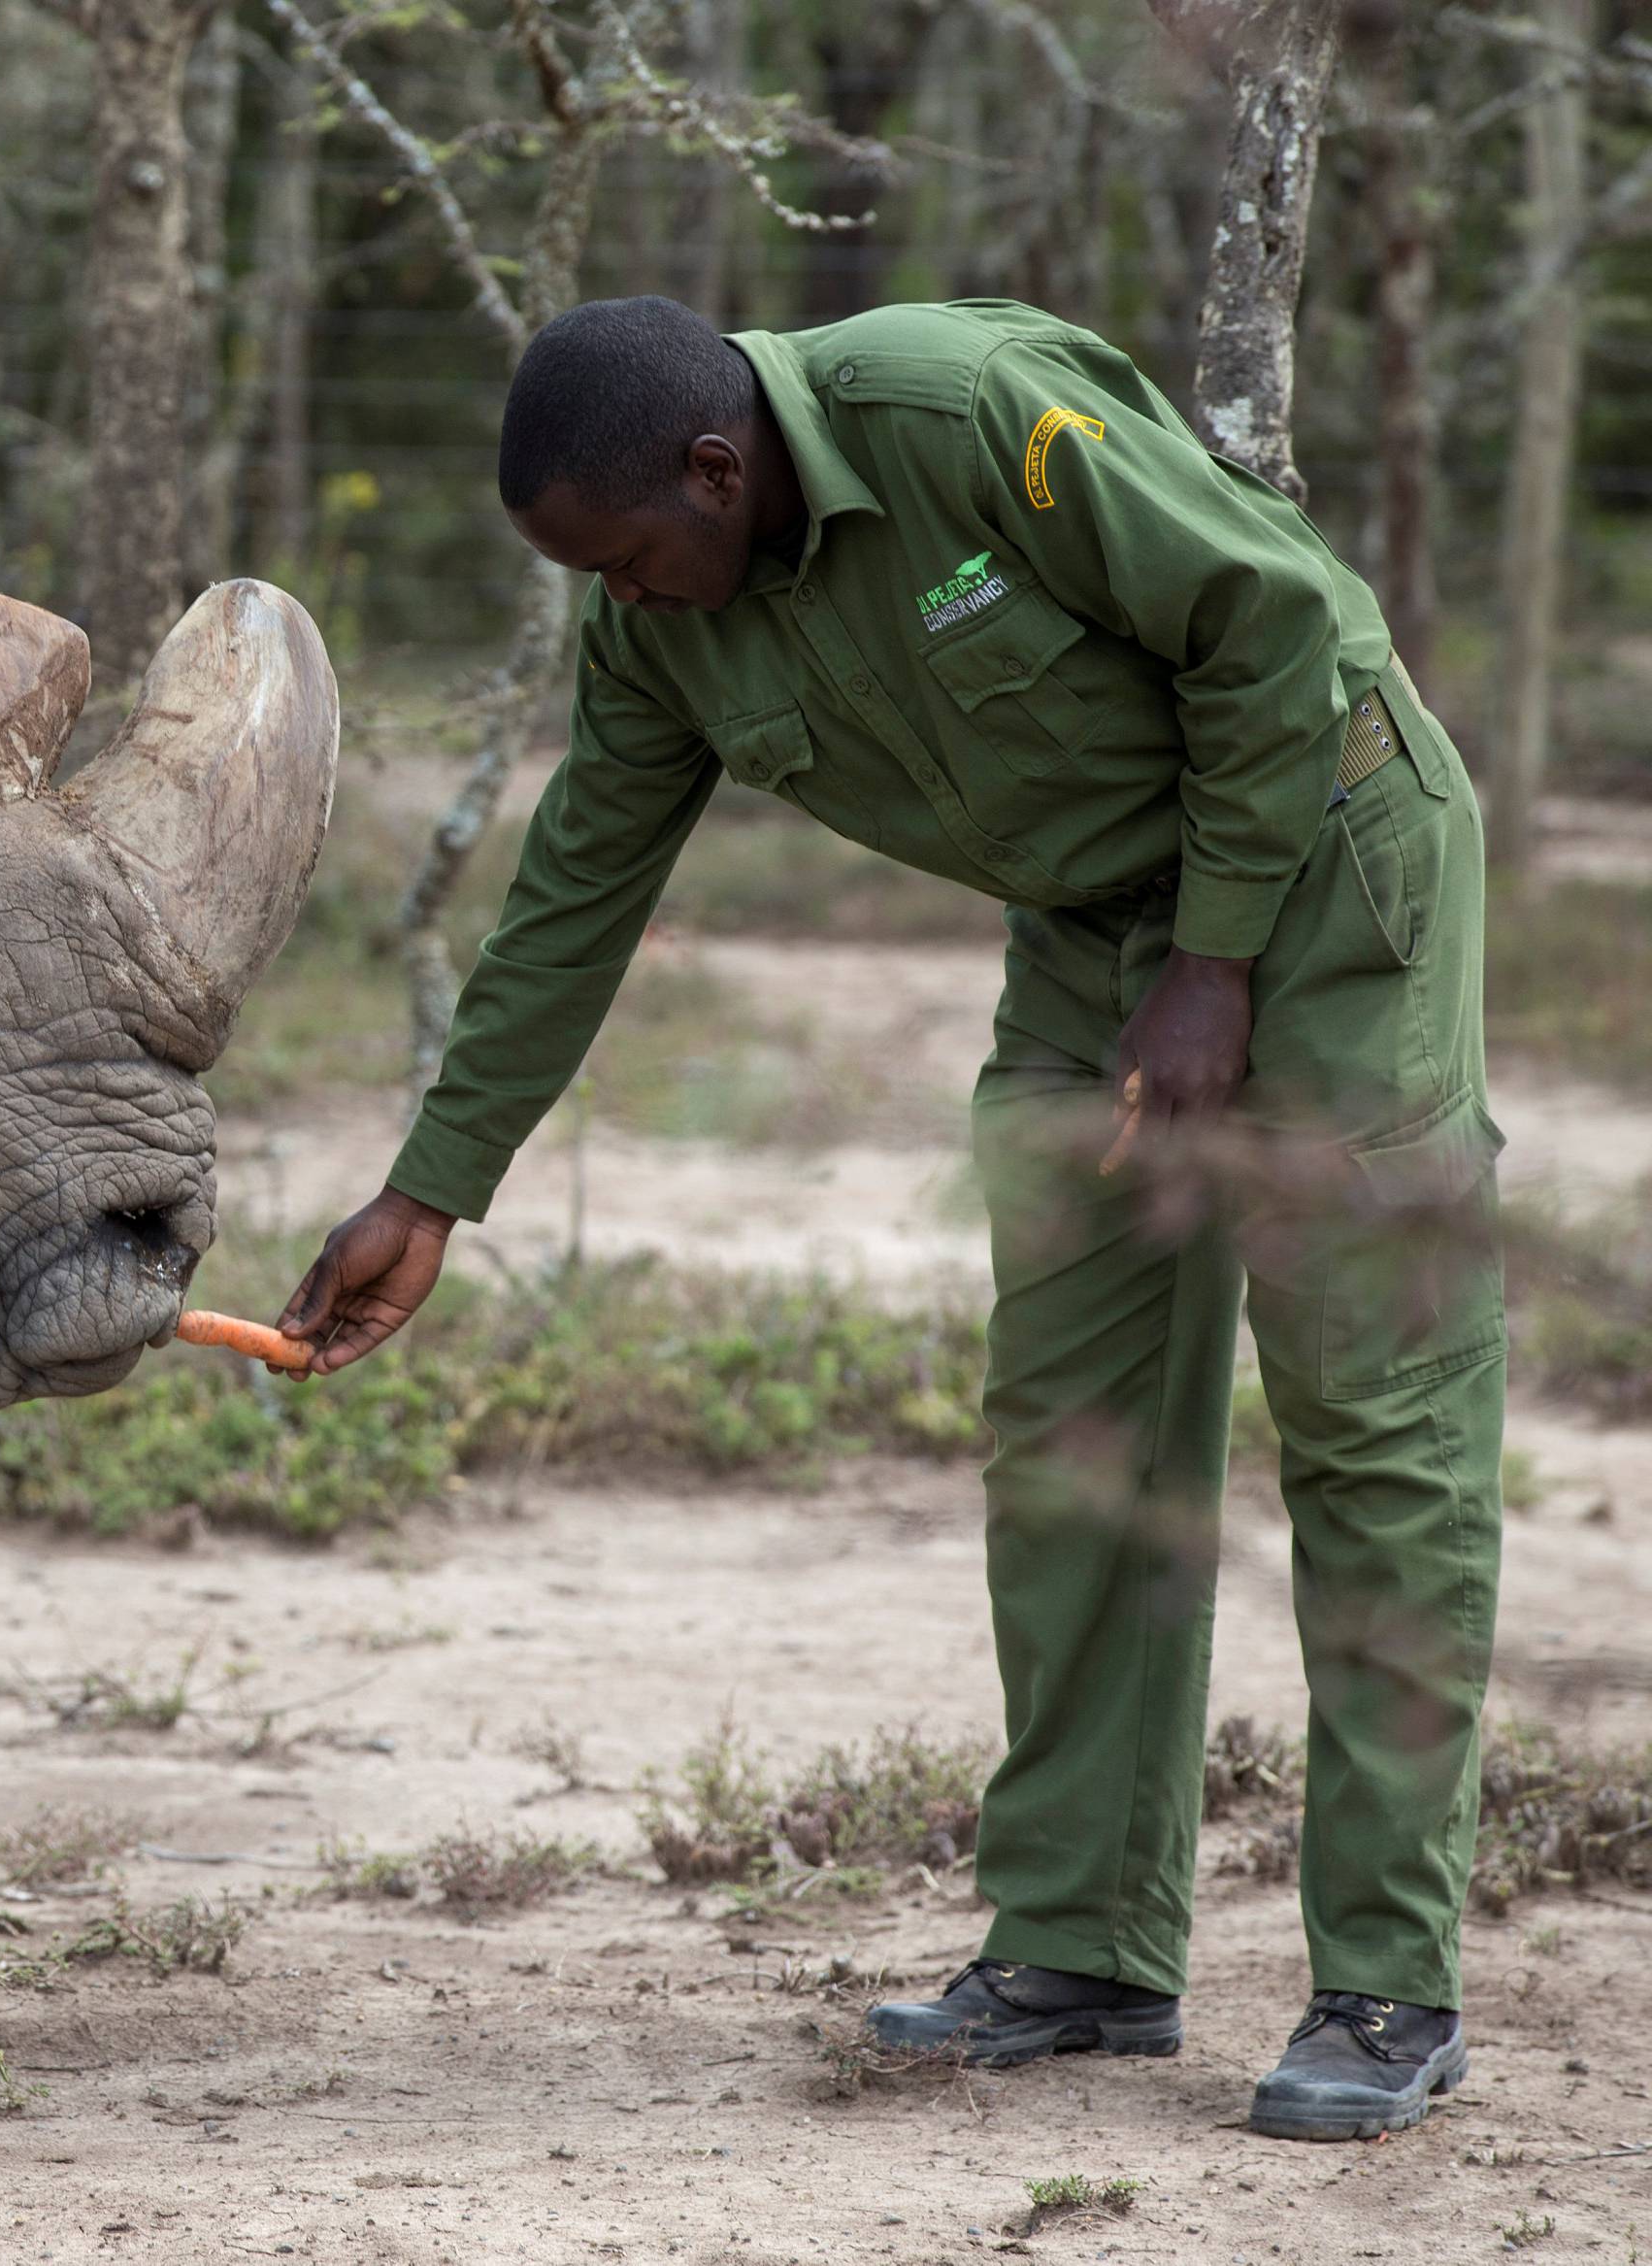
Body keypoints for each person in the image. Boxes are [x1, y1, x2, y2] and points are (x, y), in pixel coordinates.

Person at [276, 295, 1505, 2144]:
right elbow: (575, 891)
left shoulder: (960, 413)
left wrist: (1218, 964)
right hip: (1095, 931)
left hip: (1322, 869)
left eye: (631, 560)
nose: (630, 603)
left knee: (1370, 1417)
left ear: (718, 468)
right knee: (1076, 1428)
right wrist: (432, 1188)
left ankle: (1389, 1984)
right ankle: (1085, 1942)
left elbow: (1278, 622)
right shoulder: (657, 626)